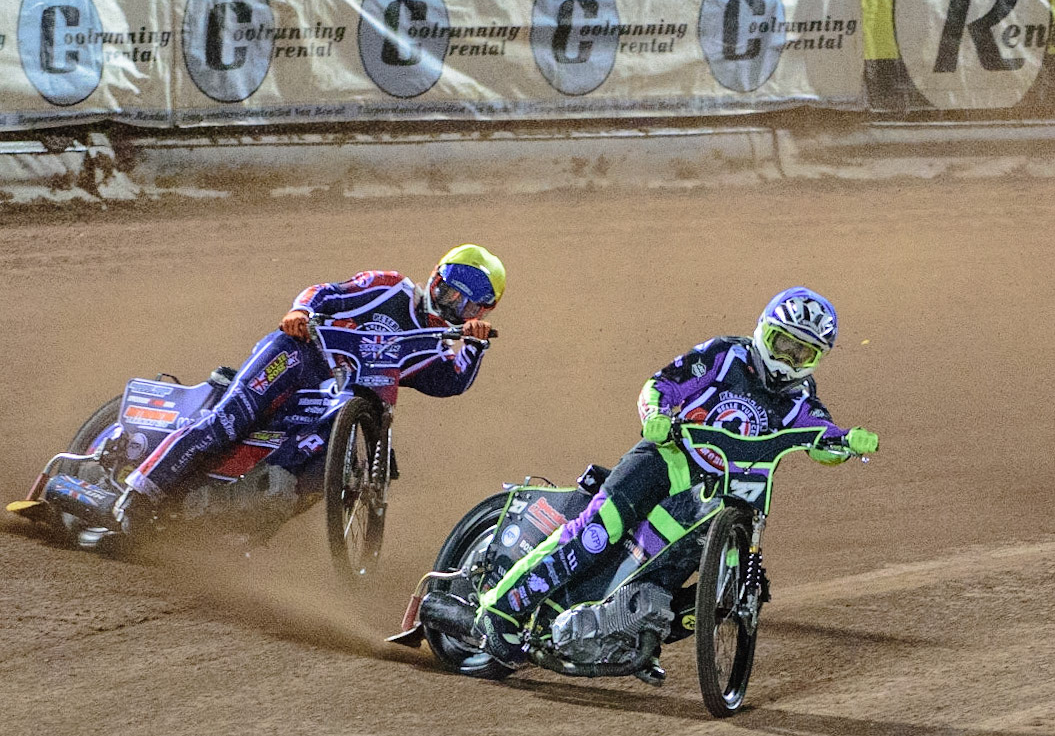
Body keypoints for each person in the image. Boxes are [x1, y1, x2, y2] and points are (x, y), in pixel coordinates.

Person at [464, 287, 878, 675]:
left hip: (720, 493)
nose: (787, 358)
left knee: (694, 574)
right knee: (597, 531)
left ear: (816, 358)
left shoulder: (800, 397)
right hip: (665, 459)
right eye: (781, 342)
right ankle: (503, 609)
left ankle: (630, 632)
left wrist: (848, 441)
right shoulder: (725, 354)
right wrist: (656, 414)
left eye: (801, 352)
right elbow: (660, 383)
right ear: (762, 330)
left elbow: (821, 436)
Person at [113, 244, 505, 530]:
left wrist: (474, 343)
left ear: (481, 313)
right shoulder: (391, 288)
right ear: (436, 278)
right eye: (449, 292)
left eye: (467, 306)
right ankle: (137, 495)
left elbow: (451, 382)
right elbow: (326, 293)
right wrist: (301, 310)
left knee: (313, 478)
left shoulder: (431, 345)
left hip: (336, 403)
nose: (453, 305)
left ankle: (233, 524)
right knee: (228, 423)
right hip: (297, 356)